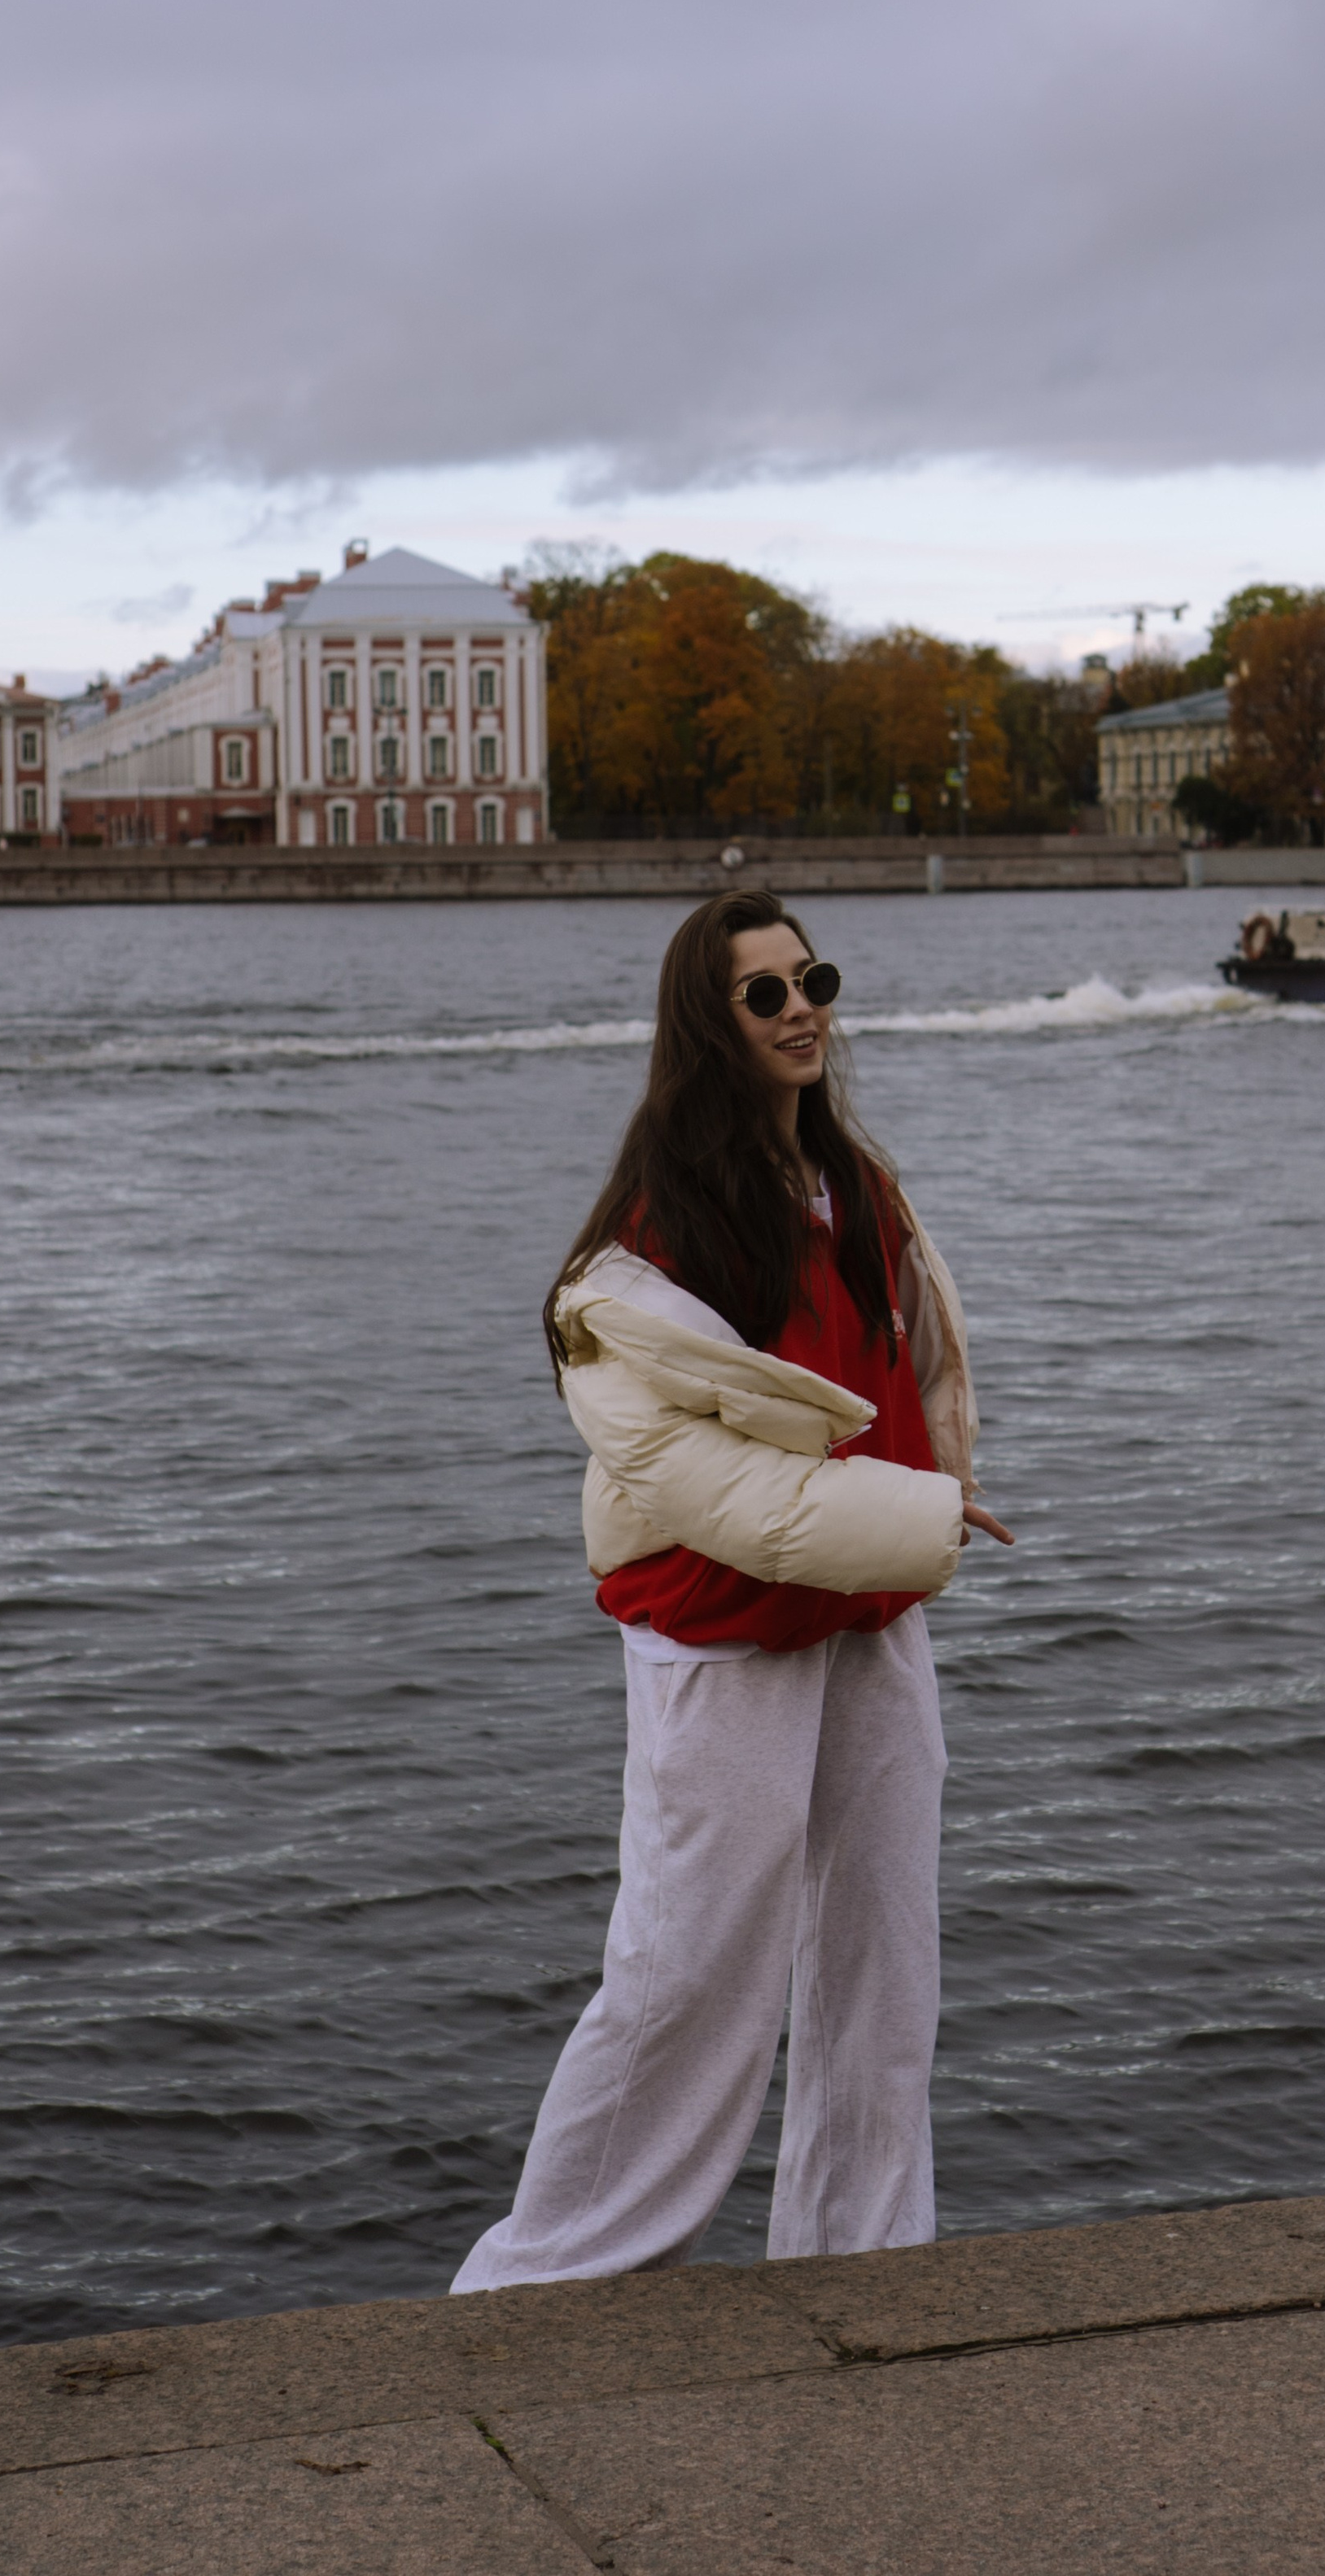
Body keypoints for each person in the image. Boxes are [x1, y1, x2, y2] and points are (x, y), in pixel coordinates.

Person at [451, 888, 1012, 2290]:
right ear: (711, 1023)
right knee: (689, 1974)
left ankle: (861, 2261)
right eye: (764, 993)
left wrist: (934, 1485)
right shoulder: (653, 1237)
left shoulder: (859, 1184)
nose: (801, 1007)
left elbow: (911, 1371)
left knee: (884, 1974)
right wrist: (925, 1514)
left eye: (812, 976)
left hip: (870, 1617)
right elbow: (715, 1492)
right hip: (724, 1631)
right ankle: (546, 2281)